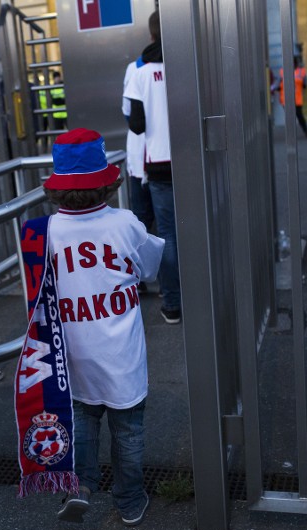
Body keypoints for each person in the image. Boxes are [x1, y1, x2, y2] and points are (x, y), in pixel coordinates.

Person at [42, 128, 164, 527]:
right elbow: (149, 267)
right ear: (107, 183)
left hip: (74, 355)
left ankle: (81, 486)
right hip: (122, 356)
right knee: (128, 431)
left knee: (83, 423)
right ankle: (129, 500)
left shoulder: (46, 232)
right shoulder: (125, 223)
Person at [124, 10, 182, 324]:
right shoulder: (187, 65)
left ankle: (172, 303)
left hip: (159, 164)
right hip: (193, 159)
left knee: (169, 235)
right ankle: (207, 296)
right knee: (199, 227)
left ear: (151, 35)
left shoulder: (140, 72)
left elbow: (135, 124)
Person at [122, 56, 157, 294]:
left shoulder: (134, 69)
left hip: (140, 155)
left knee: (141, 220)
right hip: (159, 155)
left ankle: (141, 279)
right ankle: (169, 284)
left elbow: (127, 111)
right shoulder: (176, 64)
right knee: (167, 223)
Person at [272, 56, 307, 139]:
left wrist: (274, 88)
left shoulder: (300, 72)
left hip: (294, 99)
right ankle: (299, 133)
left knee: (297, 117)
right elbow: (305, 85)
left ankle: (302, 132)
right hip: (288, 99)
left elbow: (305, 84)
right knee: (294, 117)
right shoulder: (283, 72)